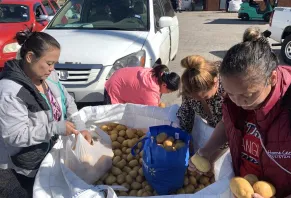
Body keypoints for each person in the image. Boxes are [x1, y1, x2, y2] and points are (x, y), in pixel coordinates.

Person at [189, 28, 291, 197]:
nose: (238, 102)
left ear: (272, 78)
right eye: (231, 94)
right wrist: (208, 151)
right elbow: (228, 122)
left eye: (247, 95)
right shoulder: (238, 92)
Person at [0, 29, 92, 198]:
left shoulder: (48, 76)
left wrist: (81, 127)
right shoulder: (11, 92)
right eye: (49, 63)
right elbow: (14, 135)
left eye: (54, 63)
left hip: (52, 151)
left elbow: (67, 100)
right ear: (29, 57)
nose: (52, 68)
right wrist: (55, 128)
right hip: (30, 162)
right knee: (39, 192)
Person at [104, 65, 180, 106]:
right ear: (164, 85)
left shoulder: (157, 74)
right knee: (114, 117)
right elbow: (152, 113)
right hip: (114, 87)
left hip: (119, 75)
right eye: (169, 91)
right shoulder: (151, 92)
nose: (167, 93)